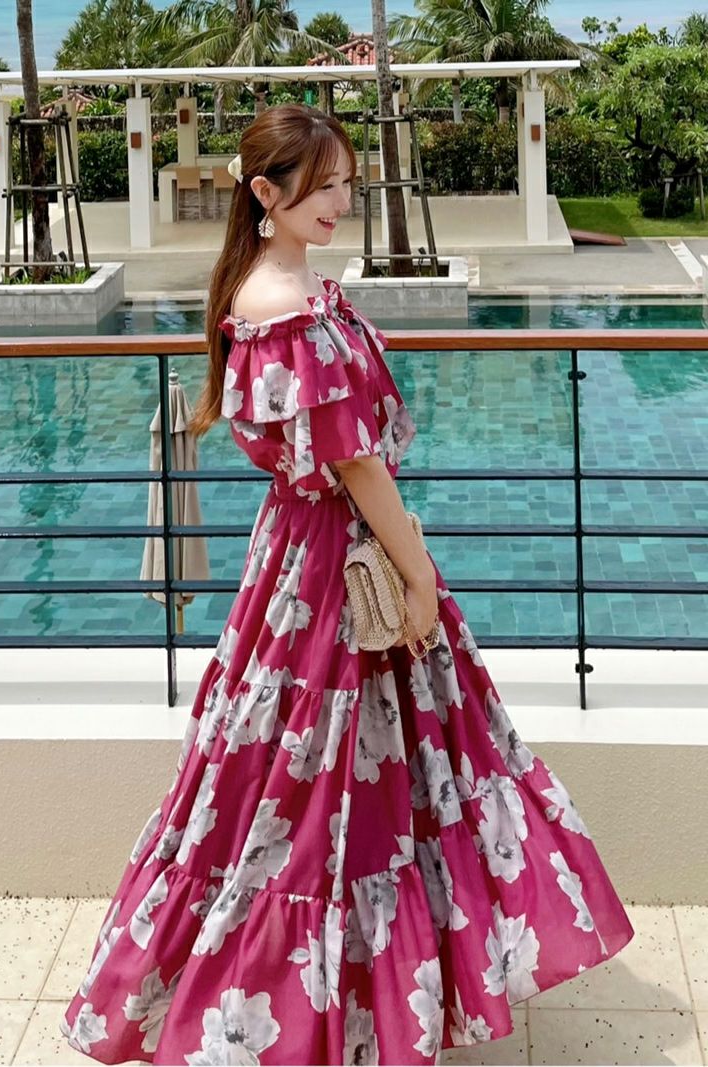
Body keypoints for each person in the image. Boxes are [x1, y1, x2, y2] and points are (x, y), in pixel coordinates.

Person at [60, 103, 634, 1066]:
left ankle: (328, 1008)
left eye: (346, 185)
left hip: (304, 558)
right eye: (322, 186)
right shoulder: (281, 304)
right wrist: (420, 575)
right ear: (265, 192)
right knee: (334, 780)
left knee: (302, 781)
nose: (340, 202)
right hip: (336, 563)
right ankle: (306, 1012)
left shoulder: (278, 287)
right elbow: (356, 463)